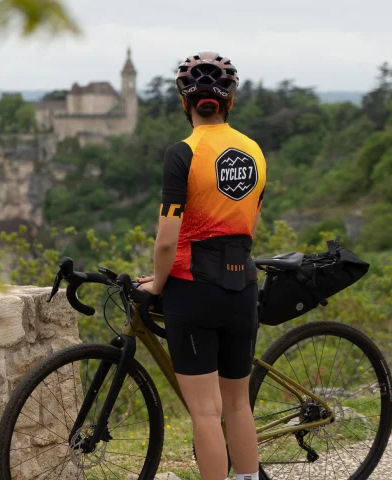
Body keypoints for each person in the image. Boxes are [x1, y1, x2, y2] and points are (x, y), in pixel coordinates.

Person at [138, 51, 266, 480]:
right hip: (242, 287)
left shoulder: (182, 154)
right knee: (238, 405)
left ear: (184, 102)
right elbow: (251, 224)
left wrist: (156, 285)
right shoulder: (254, 151)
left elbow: (167, 239)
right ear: (230, 101)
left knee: (207, 413)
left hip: (192, 291)